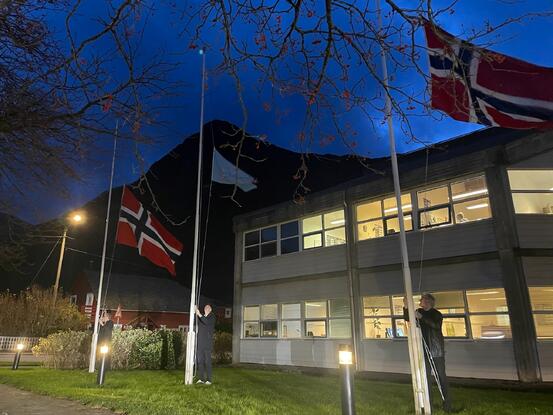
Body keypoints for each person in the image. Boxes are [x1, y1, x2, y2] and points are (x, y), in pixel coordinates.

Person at [403, 293, 452, 413]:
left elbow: (436, 326)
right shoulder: (420, 311)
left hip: (436, 352)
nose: (420, 302)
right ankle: (428, 404)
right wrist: (405, 306)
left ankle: (447, 405)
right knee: (426, 379)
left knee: (441, 377)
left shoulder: (437, 314)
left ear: (428, 302)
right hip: (423, 351)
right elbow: (407, 318)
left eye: (422, 300)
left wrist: (421, 317)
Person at [195, 304, 216, 385]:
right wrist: (196, 311)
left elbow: (206, 322)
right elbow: (199, 320)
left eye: (208, 308)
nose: (206, 309)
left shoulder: (212, 317)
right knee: (200, 361)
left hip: (207, 344)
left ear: (210, 309)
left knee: (207, 362)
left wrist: (199, 314)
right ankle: (201, 379)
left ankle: (209, 380)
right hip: (200, 343)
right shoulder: (202, 317)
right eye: (205, 308)